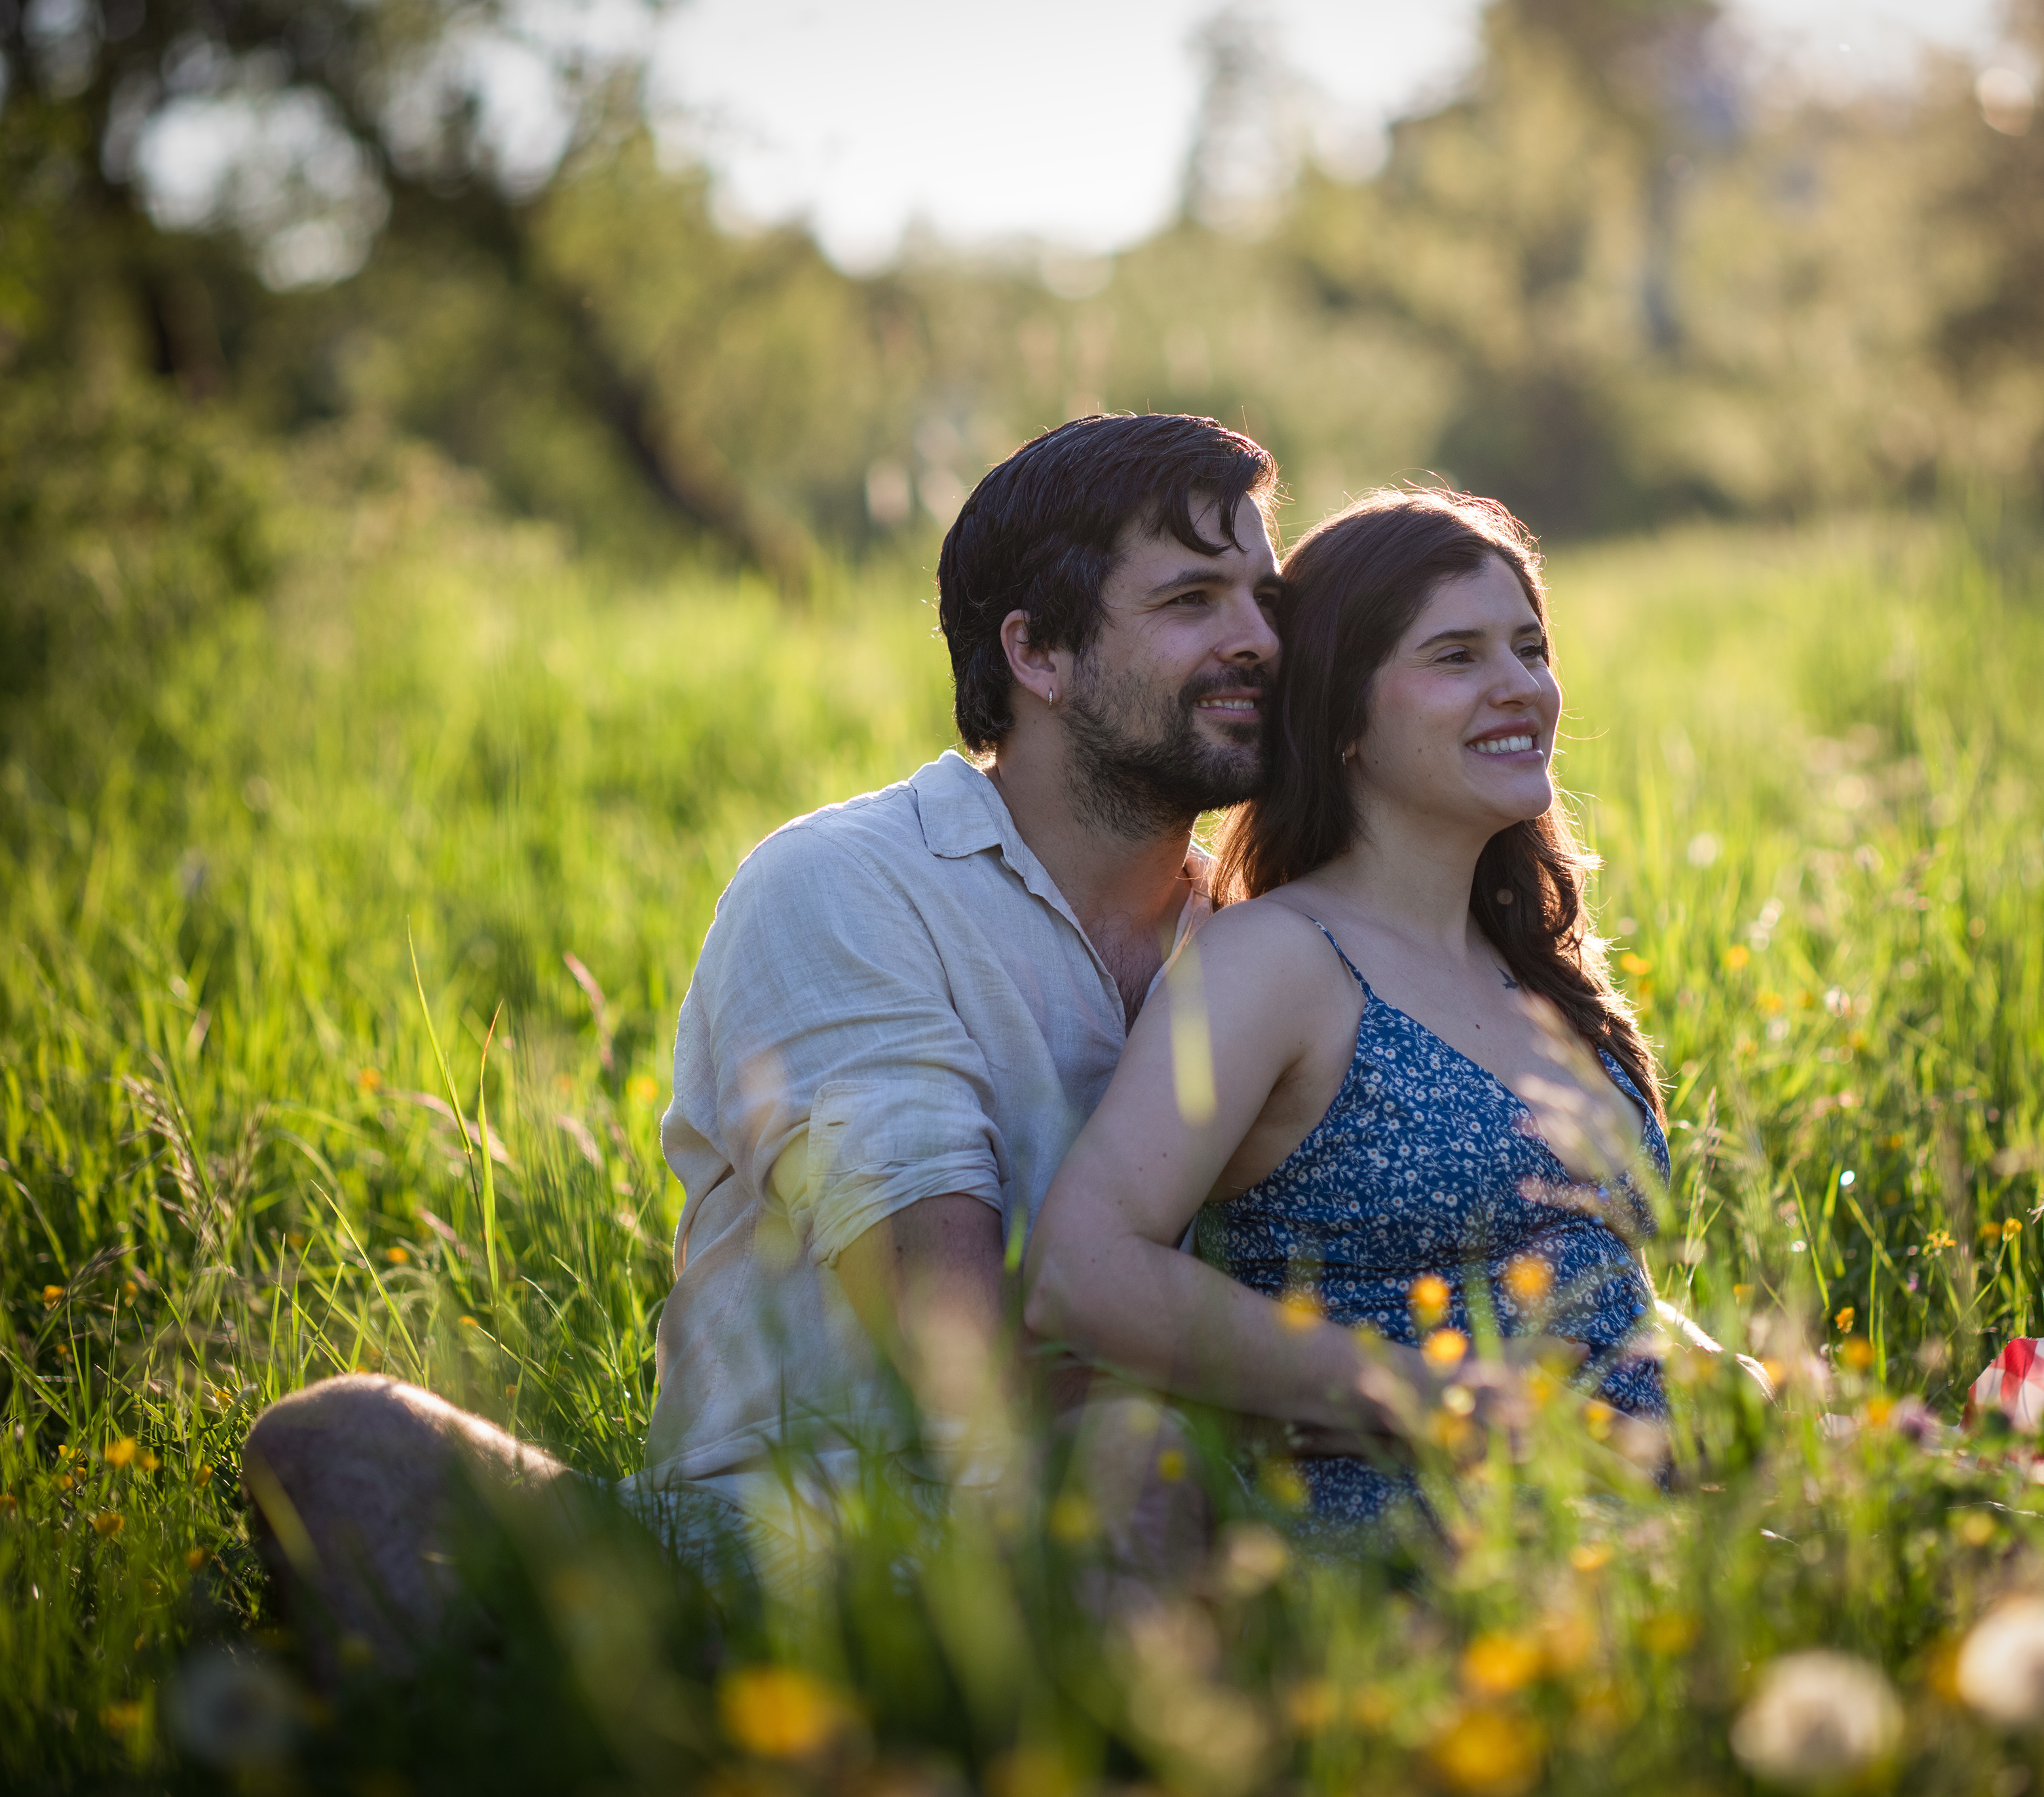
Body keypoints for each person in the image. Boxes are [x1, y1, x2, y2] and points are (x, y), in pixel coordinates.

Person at [242, 412, 1285, 1666]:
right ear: (1039, 653)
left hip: (1117, 1515)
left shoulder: (1260, 941)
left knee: (1139, 1470)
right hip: (787, 1539)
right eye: (1192, 599)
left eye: (1266, 600)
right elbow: (943, 1342)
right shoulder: (845, 884)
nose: (1258, 642)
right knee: (345, 1442)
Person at [1023, 487, 1671, 1534]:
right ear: (1343, 720)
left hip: (1674, 1502)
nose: (1519, 688)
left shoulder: (1532, 961)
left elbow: (1581, 1281)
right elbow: (1079, 1272)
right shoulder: (1276, 962)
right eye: (1455, 657)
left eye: (1529, 648)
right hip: (1455, 1547)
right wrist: (1439, 1405)